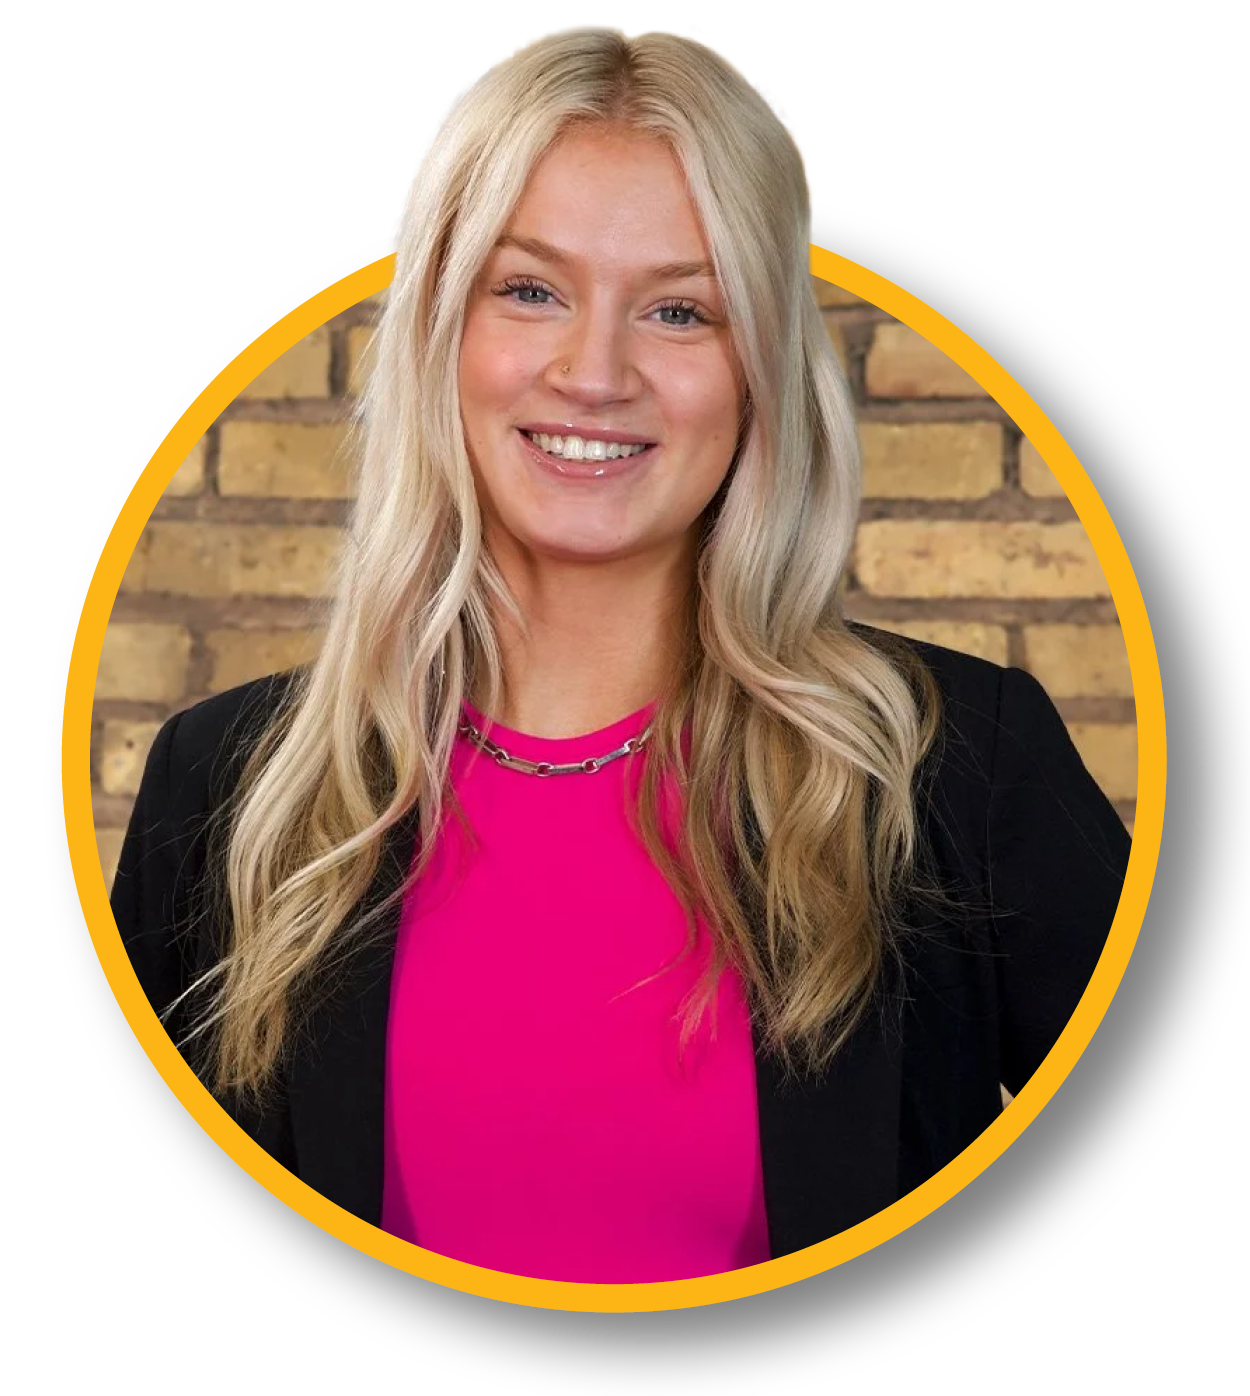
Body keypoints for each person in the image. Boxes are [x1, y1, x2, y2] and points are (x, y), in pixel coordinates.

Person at [111, 24, 1130, 1284]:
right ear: (440, 325)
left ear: (758, 367)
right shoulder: (225, 788)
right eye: (528, 288)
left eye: (678, 309)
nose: (592, 371)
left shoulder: (957, 765)